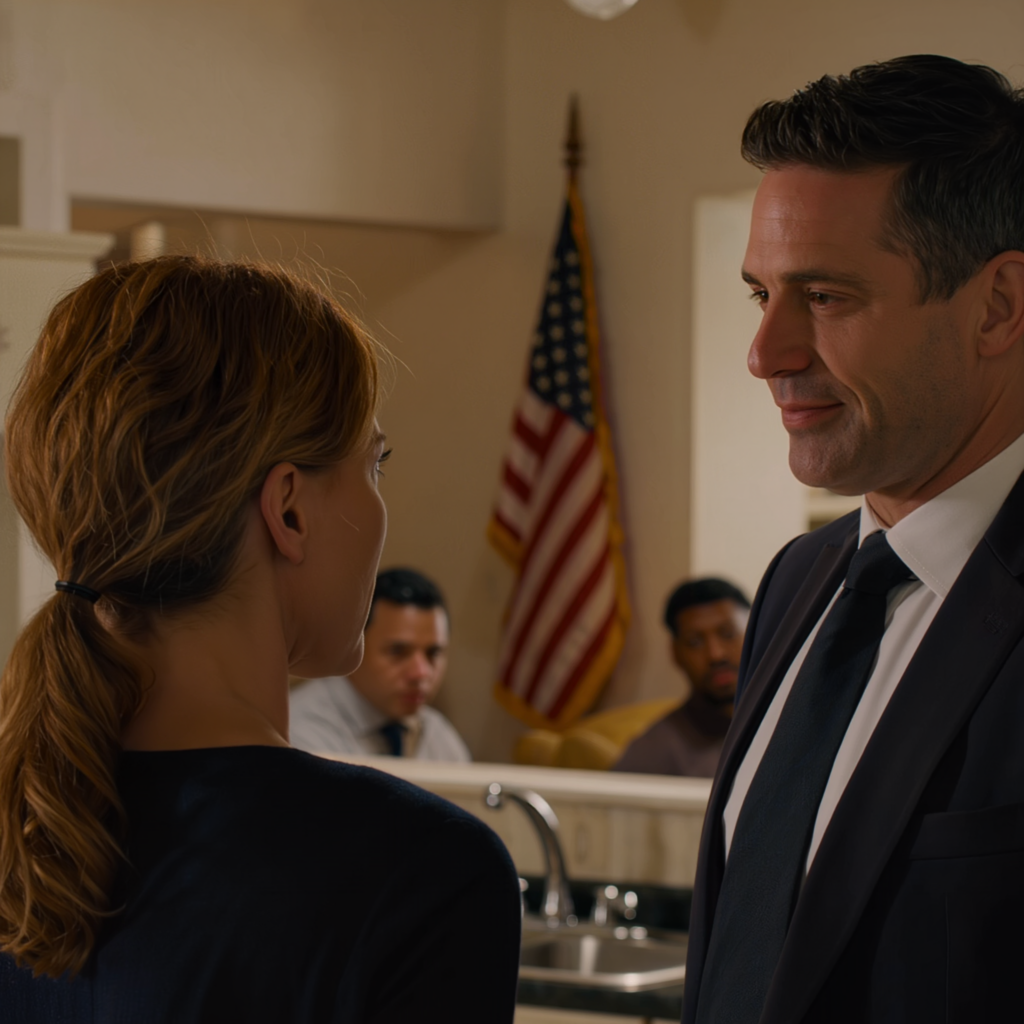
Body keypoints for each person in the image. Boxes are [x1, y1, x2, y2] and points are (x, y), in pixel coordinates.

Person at [0, 257, 521, 1023]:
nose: (381, 508)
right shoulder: (420, 873)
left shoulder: (30, 827)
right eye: (374, 465)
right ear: (289, 510)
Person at [683, 55, 1024, 1024]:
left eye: (826, 297)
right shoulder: (799, 581)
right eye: (761, 295)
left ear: (998, 306)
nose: (766, 354)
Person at [290, 567, 471, 761]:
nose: (421, 673)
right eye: (398, 651)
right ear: (351, 647)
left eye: (433, 653)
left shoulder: (438, 735)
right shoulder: (298, 730)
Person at [613, 578, 749, 776]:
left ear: (758, 635)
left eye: (728, 634)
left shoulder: (788, 721)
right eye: (694, 642)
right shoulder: (651, 755)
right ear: (675, 653)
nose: (715, 654)